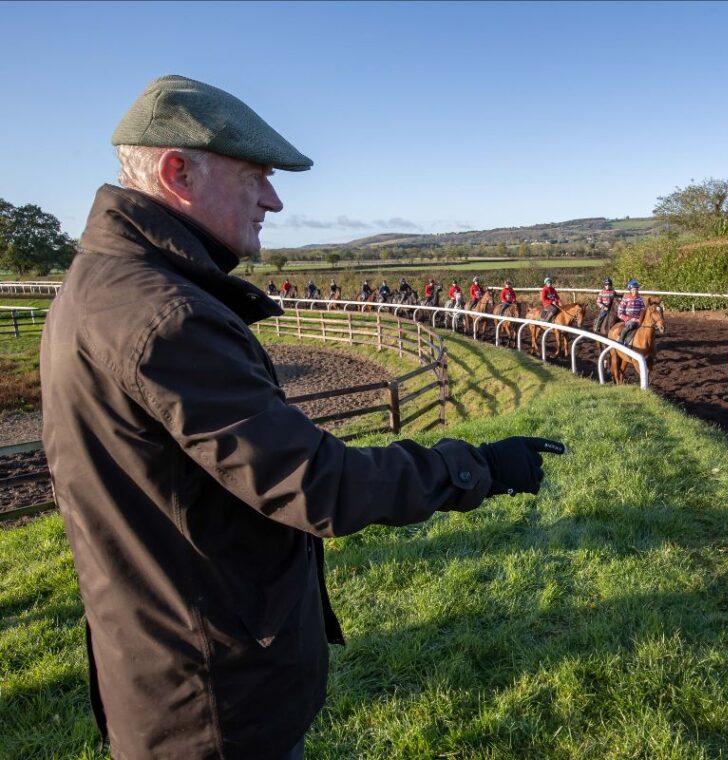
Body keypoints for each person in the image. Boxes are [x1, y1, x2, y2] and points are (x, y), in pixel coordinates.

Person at [39, 74, 566, 759]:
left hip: (169, 663)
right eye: (256, 177)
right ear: (178, 173)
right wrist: (479, 466)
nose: (274, 199)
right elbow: (317, 485)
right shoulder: (167, 316)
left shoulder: (107, 286)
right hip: (211, 697)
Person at [616, 279, 646, 344]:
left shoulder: (640, 299)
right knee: (631, 325)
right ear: (630, 290)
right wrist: (629, 319)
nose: (635, 291)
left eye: (636, 289)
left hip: (639, 319)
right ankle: (621, 341)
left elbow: (643, 310)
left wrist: (640, 319)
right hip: (629, 320)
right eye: (633, 290)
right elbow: (619, 312)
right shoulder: (626, 298)